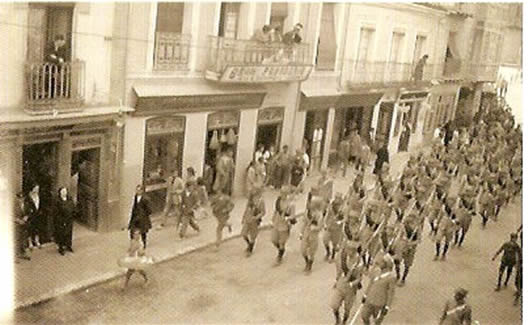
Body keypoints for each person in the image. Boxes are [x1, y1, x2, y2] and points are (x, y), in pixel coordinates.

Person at [361, 255, 397, 325]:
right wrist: (365, 295)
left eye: (382, 262)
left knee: (377, 321)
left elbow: (391, 293)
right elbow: (370, 284)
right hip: (369, 300)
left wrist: (387, 306)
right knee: (364, 316)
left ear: (387, 264)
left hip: (380, 304)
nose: (380, 263)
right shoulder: (376, 271)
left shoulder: (391, 278)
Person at [271, 186, 296, 264]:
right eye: (281, 192)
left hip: (284, 226)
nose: (282, 194)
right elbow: (276, 210)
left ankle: (280, 256)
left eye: (284, 193)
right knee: (274, 240)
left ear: (287, 194)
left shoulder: (291, 204)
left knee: (282, 242)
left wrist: (287, 218)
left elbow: (293, 216)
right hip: (277, 222)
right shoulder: (278, 201)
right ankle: (281, 249)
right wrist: (273, 218)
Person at [241, 188, 266, 257]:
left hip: (254, 221)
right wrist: (243, 218)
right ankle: (249, 244)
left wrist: (256, 217)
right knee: (243, 234)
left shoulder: (261, 201)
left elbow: (263, 212)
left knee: (253, 236)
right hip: (247, 219)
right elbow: (246, 209)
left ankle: (250, 249)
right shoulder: (250, 200)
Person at [54, 187, 75, 255]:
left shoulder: (69, 198)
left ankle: (68, 246)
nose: (64, 193)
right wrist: (61, 220)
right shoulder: (57, 200)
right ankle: (61, 247)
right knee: (61, 233)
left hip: (69, 218)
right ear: (60, 192)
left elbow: (72, 206)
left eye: (65, 191)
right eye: (63, 191)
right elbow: (56, 211)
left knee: (69, 232)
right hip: (61, 220)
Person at [14, 192, 31, 262]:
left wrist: (26, 217)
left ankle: (23, 253)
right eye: (19, 198)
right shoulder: (14, 206)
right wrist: (18, 220)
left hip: (24, 224)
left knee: (23, 238)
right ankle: (15, 255)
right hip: (16, 225)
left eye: (22, 198)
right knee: (16, 239)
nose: (21, 200)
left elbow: (28, 212)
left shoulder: (26, 205)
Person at [26, 184, 44, 249]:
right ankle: (30, 243)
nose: (36, 190)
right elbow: (26, 206)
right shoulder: (28, 196)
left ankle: (37, 241)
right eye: (35, 188)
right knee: (30, 229)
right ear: (32, 188)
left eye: (38, 189)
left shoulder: (39, 196)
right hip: (31, 215)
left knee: (37, 229)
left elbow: (41, 204)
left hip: (37, 215)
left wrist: (41, 211)